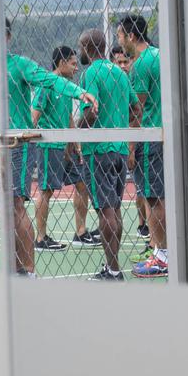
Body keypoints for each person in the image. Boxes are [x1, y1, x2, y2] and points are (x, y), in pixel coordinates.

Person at [0, 15, 97, 276]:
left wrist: (78, 92)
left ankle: (28, 268)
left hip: (19, 143)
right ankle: (15, 266)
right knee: (4, 208)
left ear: (8, 38)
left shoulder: (19, 65)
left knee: (16, 205)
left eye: (3, 34)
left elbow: (49, 79)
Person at [77, 29, 134, 281]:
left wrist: (77, 130)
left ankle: (112, 269)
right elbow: (135, 106)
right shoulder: (120, 74)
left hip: (98, 150)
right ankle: (113, 266)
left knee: (105, 211)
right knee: (116, 208)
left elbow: (91, 110)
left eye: (80, 47)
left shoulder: (91, 72)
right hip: (120, 150)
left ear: (88, 48)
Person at [31, 45, 97, 251]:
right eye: (73, 63)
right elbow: (35, 115)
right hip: (50, 146)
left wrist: (75, 144)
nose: (76, 68)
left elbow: (68, 117)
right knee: (46, 190)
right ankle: (40, 238)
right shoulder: (46, 85)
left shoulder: (65, 87)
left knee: (82, 183)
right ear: (61, 63)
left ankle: (81, 232)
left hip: (66, 146)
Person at [120, 14, 169, 278]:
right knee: (163, 196)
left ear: (130, 36)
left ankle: (162, 256)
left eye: (119, 35)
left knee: (153, 197)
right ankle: (166, 252)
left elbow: (136, 110)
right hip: (166, 133)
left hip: (150, 138)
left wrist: (130, 147)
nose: (118, 41)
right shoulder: (161, 55)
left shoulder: (140, 66)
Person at [111, 43, 148, 242]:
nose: (124, 65)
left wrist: (131, 147)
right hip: (115, 146)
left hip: (137, 140)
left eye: (127, 61)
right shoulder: (111, 85)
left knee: (145, 187)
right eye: (120, 62)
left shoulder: (135, 82)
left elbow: (138, 114)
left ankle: (145, 225)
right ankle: (142, 224)